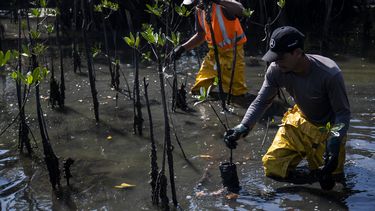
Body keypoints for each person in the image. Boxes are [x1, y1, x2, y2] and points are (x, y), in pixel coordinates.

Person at [224, 26, 351, 190]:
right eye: (273, 57)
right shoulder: (276, 70)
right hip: (300, 121)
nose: (275, 62)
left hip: (328, 129)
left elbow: (342, 113)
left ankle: (323, 177)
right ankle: (311, 179)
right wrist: (243, 127)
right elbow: (261, 101)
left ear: (297, 53)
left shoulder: (329, 74)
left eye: (280, 57)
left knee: (333, 183)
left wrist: (334, 139)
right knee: (272, 168)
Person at [172, 0, 248, 96]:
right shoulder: (199, 10)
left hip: (233, 53)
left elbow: (241, 10)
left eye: (196, 2)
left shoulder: (221, 5)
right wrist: (182, 48)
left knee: (237, 93)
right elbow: (201, 35)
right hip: (214, 54)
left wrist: (218, 1)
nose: (195, 5)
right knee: (198, 91)